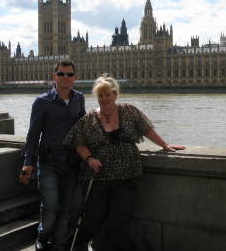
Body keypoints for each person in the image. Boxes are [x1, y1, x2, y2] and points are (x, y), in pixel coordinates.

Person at [64, 74, 185, 251]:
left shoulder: (129, 110)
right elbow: (78, 142)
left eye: (108, 95)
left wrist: (165, 145)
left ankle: (100, 246)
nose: (104, 99)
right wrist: (89, 159)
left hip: (127, 176)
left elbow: (147, 129)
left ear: (115, 94)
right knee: (93, 218)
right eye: (101, 96)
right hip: (100, 177)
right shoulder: (89, 119)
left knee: (118, 219)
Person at [19, 59, 85, 251]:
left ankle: (59, 243)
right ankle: (42, 236)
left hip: (71, 162)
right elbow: (33, 135)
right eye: (61, 74)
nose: (65, 78)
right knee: (50, 206)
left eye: (69, 74)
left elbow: (84, 126)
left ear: (75, 77)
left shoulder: (78, 98)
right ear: (54, 76)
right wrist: (28, 162)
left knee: (66, 208)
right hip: (48, 161)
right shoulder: (42, 102)